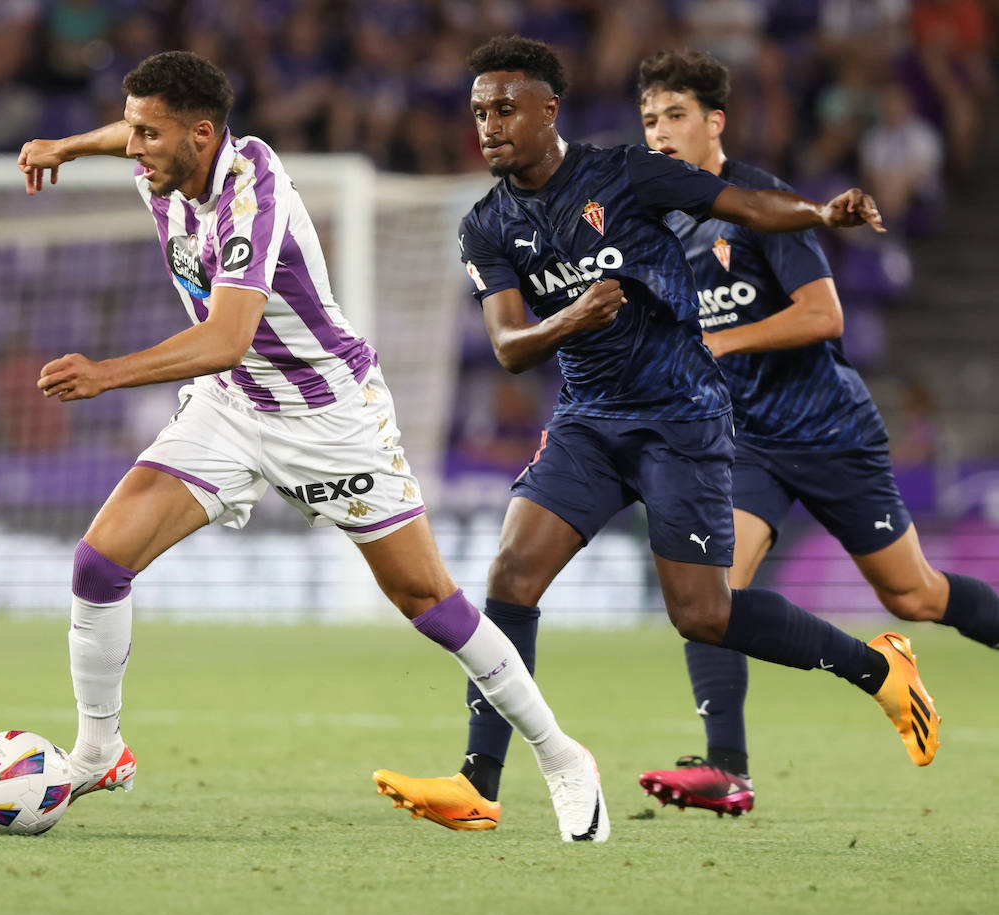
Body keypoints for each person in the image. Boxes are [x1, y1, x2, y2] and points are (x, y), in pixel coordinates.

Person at [16, 50, 611, 843]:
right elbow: (136, 135)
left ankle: (564, 757)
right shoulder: (163, 163)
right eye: (130, 133)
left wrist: (106, 374)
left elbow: (226, 337)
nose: (134, 149)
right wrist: (68, 147)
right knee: (98, 562)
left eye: (147, 136)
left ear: (202, 134)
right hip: (233, 409)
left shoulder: (251, 194)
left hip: (328, 418)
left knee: (425, 601)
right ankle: (99, 748)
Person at [370, 35, 940, 833]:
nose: (489, 124)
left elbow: (741, 204)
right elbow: (507, 347)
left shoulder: (624, 173)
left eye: (504, 108)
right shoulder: (487, 225)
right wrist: (574, 314)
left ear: (547, 110)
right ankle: (479, 781)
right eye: (477, 112)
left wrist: (818, 211)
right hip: (589, 422)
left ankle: (877, 668)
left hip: (682, 418)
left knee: (704, 613)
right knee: (510, 574)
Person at [631, 49, 999, 816]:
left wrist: (723, 342)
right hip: (746, 442)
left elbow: (823, 314)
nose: (660, 133)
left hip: (830, 431)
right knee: (713, 594)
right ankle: (727, 769)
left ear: (713, 122)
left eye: (674, 116)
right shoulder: (656, 226)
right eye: (649, 120)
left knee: (915, 595)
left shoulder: (762, 200)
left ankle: (900, 658)